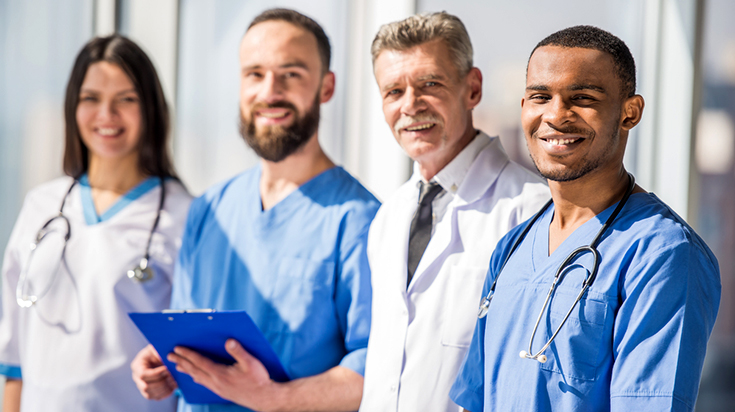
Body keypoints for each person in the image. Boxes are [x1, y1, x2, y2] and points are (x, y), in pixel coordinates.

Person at [450, 25, 721, 412]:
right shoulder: (510, 249)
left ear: (630, 112)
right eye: (540, 96)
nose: (556, 115)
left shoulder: (662, 255)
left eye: (582, 98)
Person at [130, 8, 380, 412]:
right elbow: (186, 331)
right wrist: (166, 366)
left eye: (291, 74)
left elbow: (377, 367)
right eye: (255, 74)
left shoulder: (360, 220)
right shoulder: (208, 209)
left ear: (326, 87)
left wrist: (274, 399)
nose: (269, 92)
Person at [360, 12, 550, 412]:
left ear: (472, 88)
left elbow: (534, 371)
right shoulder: (387, 218)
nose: (410, 105)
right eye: (393, 91)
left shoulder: (533, 210)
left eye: (430, 84)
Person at [0, 35, 192, 412]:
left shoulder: (183, 216)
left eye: (126, 99)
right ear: (73, 106)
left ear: (150, 109)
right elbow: (14, 359)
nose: (107, 115)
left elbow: (191, 356)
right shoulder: (42, 205)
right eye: (91, 99)